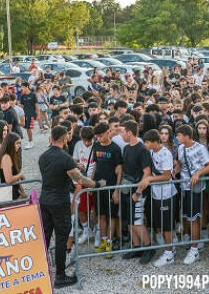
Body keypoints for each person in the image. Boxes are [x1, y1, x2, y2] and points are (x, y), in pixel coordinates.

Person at [38, 125, 105, 288]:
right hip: (59, 202)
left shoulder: (43, 156)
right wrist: (96, 184)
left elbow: (56, 173)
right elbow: (80, 180)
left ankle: (40, 270)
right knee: (61, 238)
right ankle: (60, 277)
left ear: (51, 138)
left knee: (45, 236)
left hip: (45, 199)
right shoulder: (65, 157)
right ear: (65, 138)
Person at [174, 124, 209, 265]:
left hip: (196, 188)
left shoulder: (200, 148)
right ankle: (192, 243)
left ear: (187, 136)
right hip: (184, 187)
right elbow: (181, 163)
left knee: (194, 218)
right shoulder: (180, 148)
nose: (177, 137)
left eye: (179, 135)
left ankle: (195, 250)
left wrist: (198, 173)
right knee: (186, 216)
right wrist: (175, 170)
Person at [137, 129, 177, 268]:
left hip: (166, 193)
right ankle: (170, 248)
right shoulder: (151, 152)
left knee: (167, 225)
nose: (145, 145)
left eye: (147, 142)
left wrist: (149, 179)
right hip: (156, 193)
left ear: (155, 142)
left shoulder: (165, 153)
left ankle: (169, 254)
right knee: (160, 222)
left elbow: (167, 176)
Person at [119, 120, 154, 264]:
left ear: (129, 133)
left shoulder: (142, 150)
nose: (120, 134)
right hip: (127, 190)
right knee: (129, 220)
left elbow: (147, 173)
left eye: (122, 131)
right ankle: (137, 247)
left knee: (138, 221)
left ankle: (148, 248)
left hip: (138, 192)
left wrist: (138, 192)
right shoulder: (127, 148)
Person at [91, 122, 123, 258]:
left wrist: (116, 190)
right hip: (98, 186)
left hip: (110, 187)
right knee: (101, 215)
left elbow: (120, 171)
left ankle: (110, 242)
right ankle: (103, 241)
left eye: (101, 135)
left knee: (112, 216)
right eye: (97, 136)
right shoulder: (96, 145)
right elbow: (95, 165)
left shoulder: (115, 149)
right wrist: (92, 183)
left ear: (108, 132)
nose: (99, 138)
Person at [0, 132, 25, 199]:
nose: (19, 145)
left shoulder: (11, 156)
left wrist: (22, 191)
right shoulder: (6, 158)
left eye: (20, 143)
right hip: (8, 194)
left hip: (13, 191)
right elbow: (9, 179)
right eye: (17, 143)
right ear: (10, 144)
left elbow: (14, 175)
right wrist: (20, 175)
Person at [20, 82, 38, 149]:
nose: (22, 88)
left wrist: (38, 115)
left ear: (27, 86)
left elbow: (36, 105)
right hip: (25, 114)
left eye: (23, 87)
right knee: (27, 128)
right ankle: (30, 142)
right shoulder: (23, 96)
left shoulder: (33, 95)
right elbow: (22, 106)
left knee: (29, 128)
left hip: (32, 114)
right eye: (21, 87)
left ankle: (31, 142)